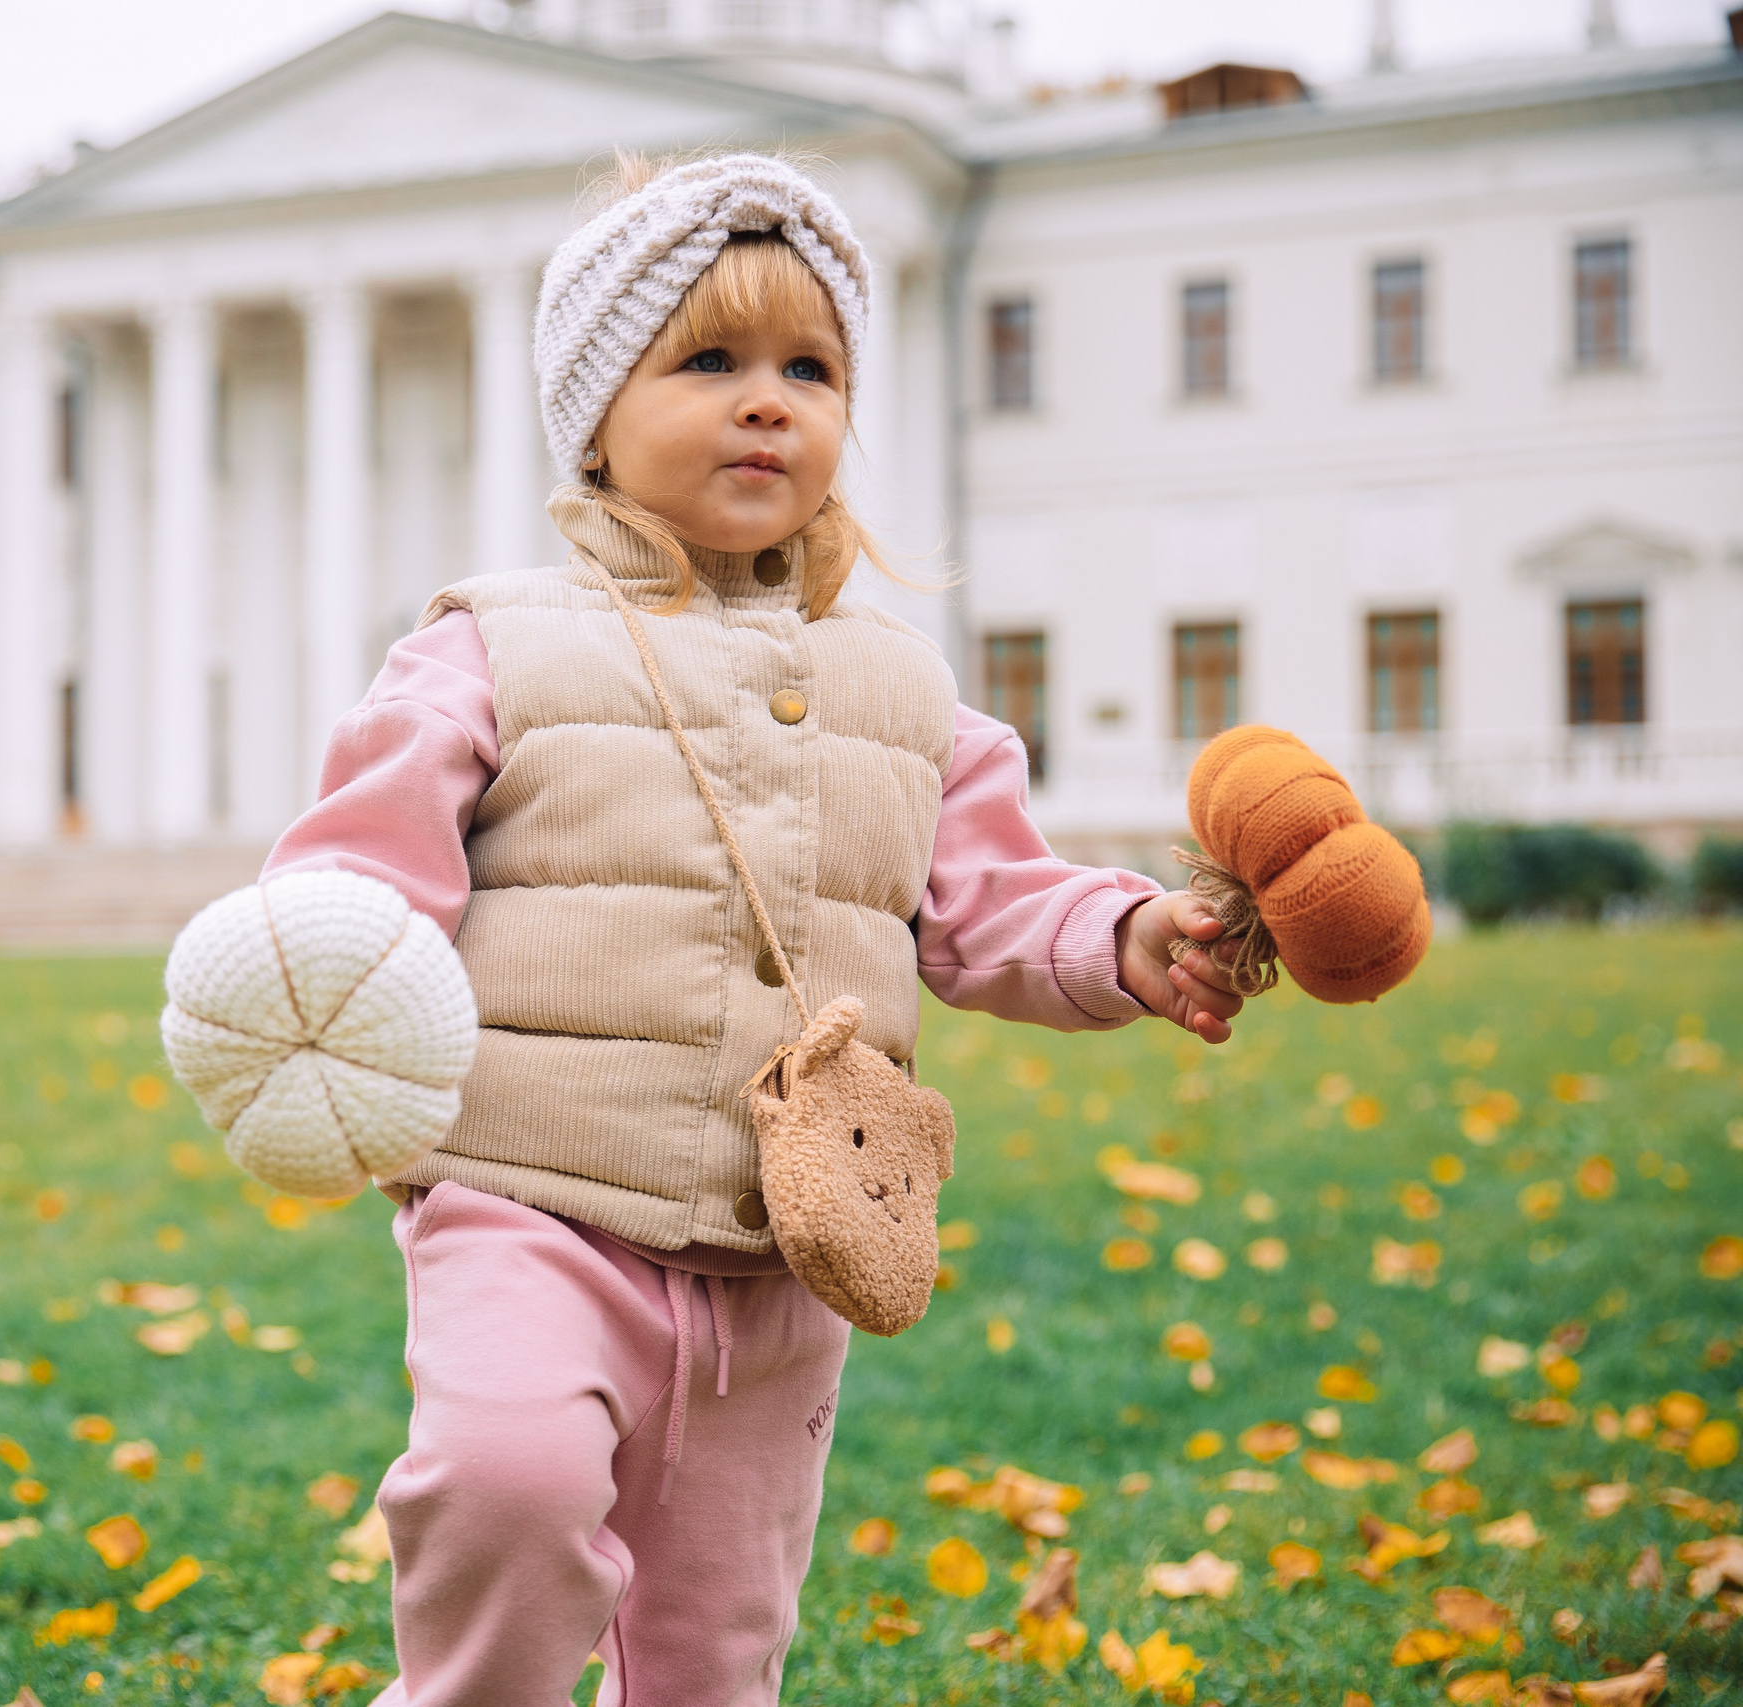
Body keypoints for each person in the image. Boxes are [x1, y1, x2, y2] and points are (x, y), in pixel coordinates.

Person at [258, 152, 1246, 1706]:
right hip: (531, 1202)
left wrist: (1126, 937)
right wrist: (320, 978)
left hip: (786, 1242)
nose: (768, 402)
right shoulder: (490, 649)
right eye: (710, 360)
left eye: (810, 369)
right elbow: (362, 871)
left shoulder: (907, 691)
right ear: (596, 415)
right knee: (507, 1483)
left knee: (716, 1648)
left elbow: (992, 900)